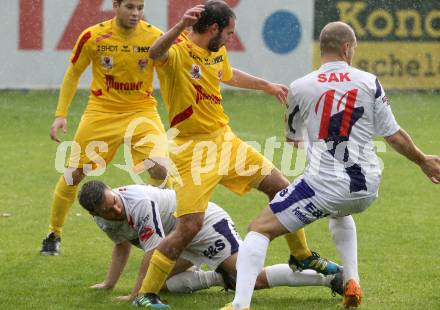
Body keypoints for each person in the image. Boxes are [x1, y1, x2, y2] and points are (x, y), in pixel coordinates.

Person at [134, 1, 340, 307]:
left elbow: (227, 74)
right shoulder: (177, 50)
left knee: (283, 189)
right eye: (229, 32)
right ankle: (145, 294)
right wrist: (178, 26)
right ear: (214, 28)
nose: (232, 37)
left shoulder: (217, 51)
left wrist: (266, 85)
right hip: (193, 151)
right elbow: (154, 54)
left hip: (226, 142)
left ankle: (301, 256)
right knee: (189, 226)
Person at [225, 21, 440, 310]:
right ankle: (352, 282)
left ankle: (239, 305)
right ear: (347, 48)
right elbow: (394, 136)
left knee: (259, 229)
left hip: (325, 186)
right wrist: (423, 160)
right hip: (366, 187)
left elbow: (292, 139)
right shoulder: (368, 81)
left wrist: (316, 143)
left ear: (322, 49)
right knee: (339, 212)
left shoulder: (300, 86)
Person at [40, 0, 171, 256]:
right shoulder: (93, 36)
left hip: (142, 112)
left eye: (140, 7)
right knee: (73, 175)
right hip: (102, 113)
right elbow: (73, 73)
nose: (135, 13)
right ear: (116, 5)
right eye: (130, 7)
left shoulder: (155, 37)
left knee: (163, 170)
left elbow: (170, 75)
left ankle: (154, 227)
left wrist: (177, 112)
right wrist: (60, 114)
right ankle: (54, 233)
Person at [77, 180, 343, 303]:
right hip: (179, 240)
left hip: (203, 225)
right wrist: (109, 283)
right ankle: (219, 276)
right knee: (166, 285)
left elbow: (154, 253)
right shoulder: (103, 219)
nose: (116, 212)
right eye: (108, 211)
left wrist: (137, 294)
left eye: (114, 203)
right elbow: (121, 245)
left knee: (251, 280)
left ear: (113, 191)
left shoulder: (139, 204)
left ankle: (329, 277)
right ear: (94, 214)